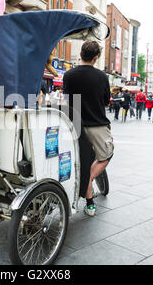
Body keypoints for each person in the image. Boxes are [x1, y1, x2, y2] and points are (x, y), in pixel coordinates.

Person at [63, 41, 113, 217]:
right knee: (106, 156)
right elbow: (107, 101)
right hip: (97, 124)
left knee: (81, 161)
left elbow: (67, 100)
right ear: (96, 57)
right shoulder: (102, 77)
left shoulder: (68, 76)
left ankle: (89, 199)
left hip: (75, 125)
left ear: (81, 54)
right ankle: (87, 181)